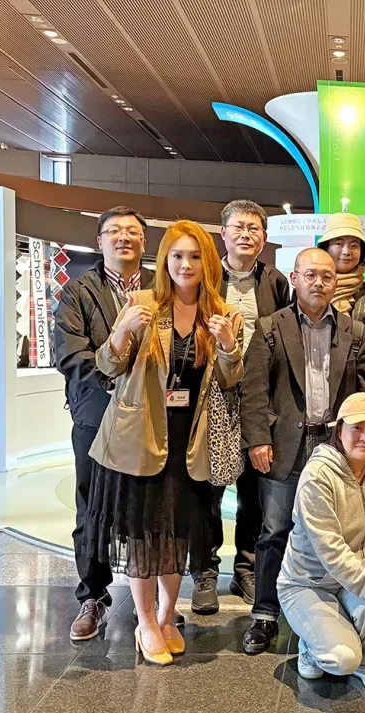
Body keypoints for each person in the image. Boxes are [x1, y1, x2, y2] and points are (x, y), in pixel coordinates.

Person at [83, 220, 245, 665]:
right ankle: (145, 622)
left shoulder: (224, 314)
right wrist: (120, 332)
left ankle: (167, 616)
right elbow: (108, 367)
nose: (185, 265)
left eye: (194, 256)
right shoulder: (142, 304)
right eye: (177, 255)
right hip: (142, 437)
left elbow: (231, 380)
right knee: (144, 535)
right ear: (164, 260)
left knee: (178, 535)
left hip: (191, 441)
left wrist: (228, 347)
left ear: (208, 263)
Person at [240, 247, 365, 655]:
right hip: (285, 446)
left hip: (337, 449)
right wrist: (258, 439)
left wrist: (362, 444)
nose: (319, 283)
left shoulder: (357, 333)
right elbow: (254, 390)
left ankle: (328, 610)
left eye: (327, 276)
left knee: (337, 532)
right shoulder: (270, 327)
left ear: (336, 282)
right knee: (274, 530)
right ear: (295, 278)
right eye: (311, 275)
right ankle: (265, 614)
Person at [54, 206, 153, 641]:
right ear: (100, 242)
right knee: (92, 508)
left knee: (150, 507)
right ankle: (93, 596)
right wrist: (113, 377)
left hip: (152, 417)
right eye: (114, 231)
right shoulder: (77, 292)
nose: (123, 237)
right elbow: (69, 354)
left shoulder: (160, 287)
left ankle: (151, 602)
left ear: (144, 241)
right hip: (96, 414)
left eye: (132, 231)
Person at [191, 199, 292, 615]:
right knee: (207, 489)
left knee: (254, 490)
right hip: (212, 395)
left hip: (258, 396)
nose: (246, 234)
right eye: (238, 227)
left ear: (264, 238)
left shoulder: (276, 282)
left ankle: (246, 567)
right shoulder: (203, 278)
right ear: (223, 234)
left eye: (254, 228)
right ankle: (205, 569)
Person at [277, 393, 365, 692]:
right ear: (339, 429)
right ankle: (311, 645)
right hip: (307, 583)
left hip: (353, 577)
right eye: (357, 428)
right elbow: (331, 552)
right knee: (343, 659)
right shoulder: (318, 476)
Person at [319, 212, 365, 334]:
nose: (346, 252)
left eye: (353, 245)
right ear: (326, 248)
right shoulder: (310, 288)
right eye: (339, 244)